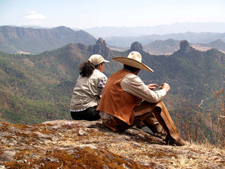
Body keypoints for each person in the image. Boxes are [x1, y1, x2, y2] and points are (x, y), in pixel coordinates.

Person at [97, 51, 187, 146]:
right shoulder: (130, 78)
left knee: (144, 100)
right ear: (138, 70)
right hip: (115, 123)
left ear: (124, 65)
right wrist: (165, 90)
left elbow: (122, 92)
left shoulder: (116, 75)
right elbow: (154, 98)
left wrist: (144, 88)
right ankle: (175, 138)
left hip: (107, 120)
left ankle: (160, 132)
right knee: (157, 104)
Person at [70, 54, 109, 121]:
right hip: (89, 113)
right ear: (100, 65)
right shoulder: (101, 77)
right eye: (103, 64)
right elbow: (110, 93)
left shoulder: (82, 74)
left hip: (74, 112)